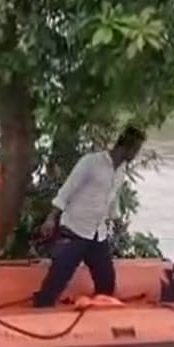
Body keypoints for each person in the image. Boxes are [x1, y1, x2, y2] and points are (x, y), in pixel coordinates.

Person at [32, 127, 146, 307]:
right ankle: (41, 309)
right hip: (75, 228)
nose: (136, 155)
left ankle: (98, 318)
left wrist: (113, 219)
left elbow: (112, 197)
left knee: (106, 281)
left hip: (97, 232)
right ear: (127, 147)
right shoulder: (91, 162)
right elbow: (67, 190)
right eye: (136, 150)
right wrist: (51, 218)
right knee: (58, 277)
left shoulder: (121, 170)